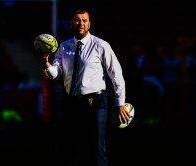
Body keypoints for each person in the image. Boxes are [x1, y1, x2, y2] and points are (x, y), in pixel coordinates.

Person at [40, 9, 130, 166]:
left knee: (96, 149)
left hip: (95, 102)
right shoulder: (64, 46)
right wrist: (46, 63)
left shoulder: (101, 45)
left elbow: (116, 74)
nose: (80, 23)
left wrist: (120, 103)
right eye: (77, 20)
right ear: (71, 23)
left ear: (89, 24)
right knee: (65, 150)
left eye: (84, 20)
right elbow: (55, 74)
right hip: (71, 103)